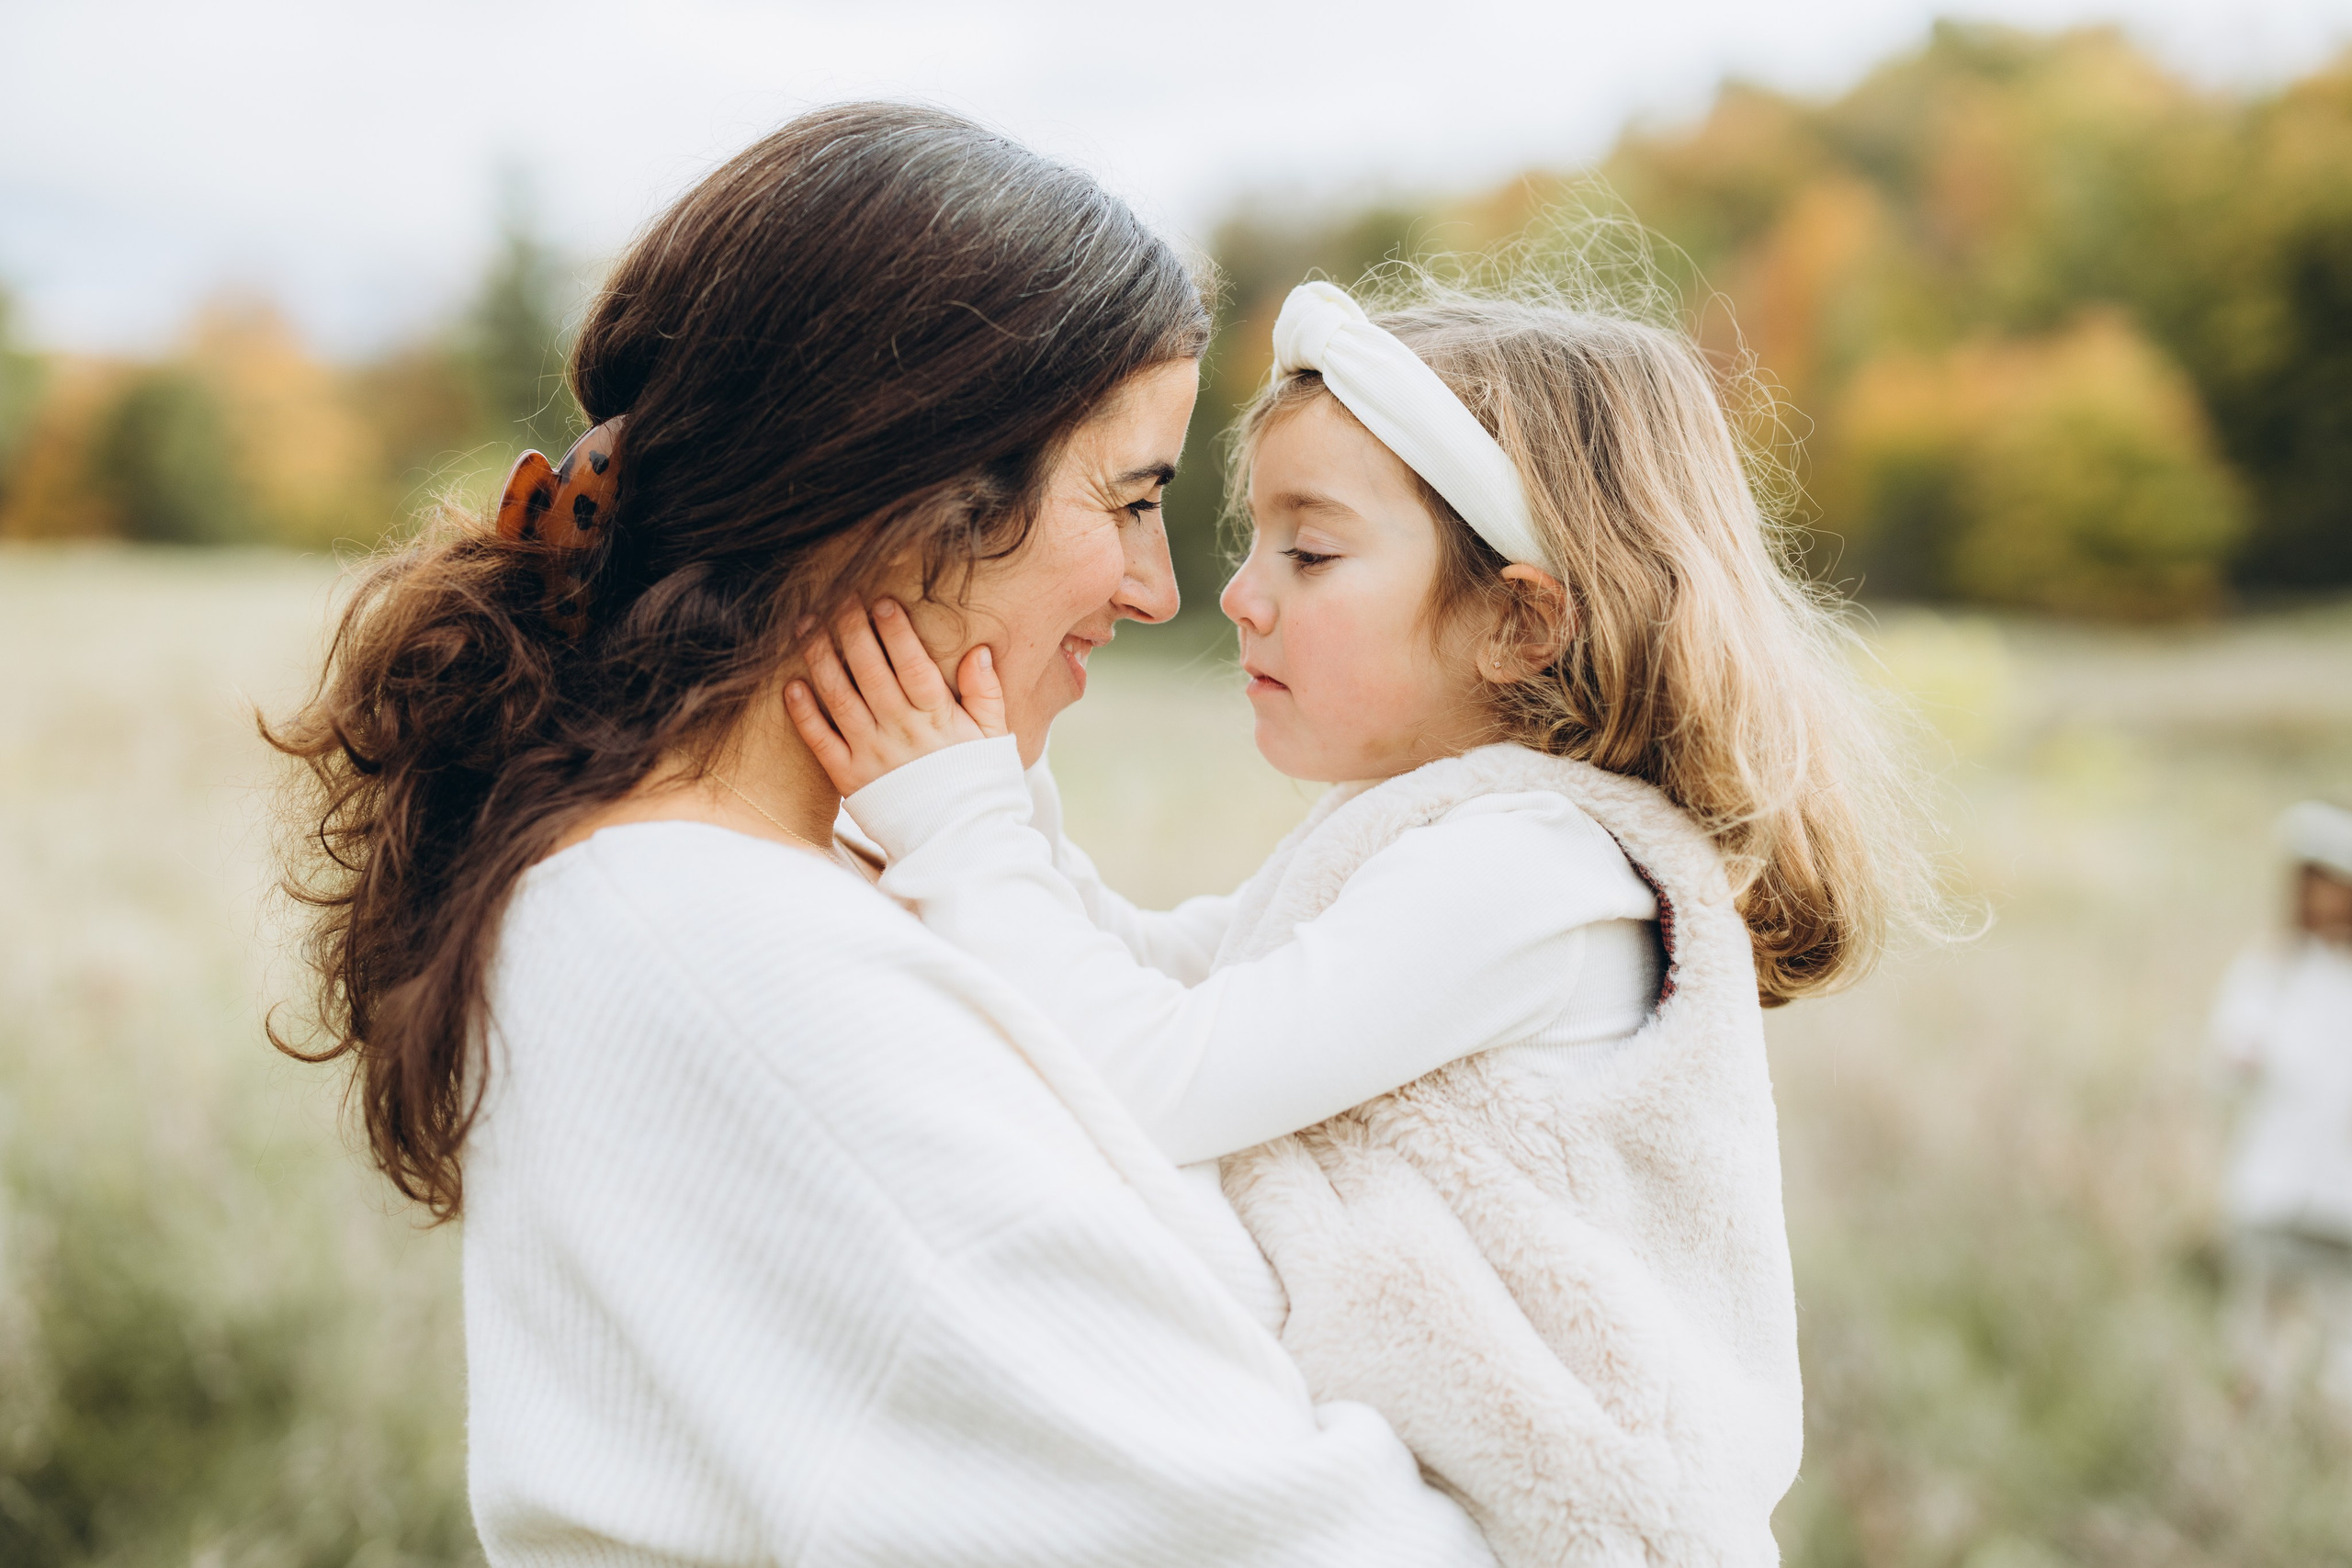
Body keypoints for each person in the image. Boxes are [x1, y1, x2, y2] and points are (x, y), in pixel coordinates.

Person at [267, 105, 1503, 1566]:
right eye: (1128, 498)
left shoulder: (772, 887)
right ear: (906, 503)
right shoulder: (728, 961)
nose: (1160, 588)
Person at [787, 276, 1933, 1564]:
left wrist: (963, 828)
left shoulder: (1533, 867)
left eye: (1311, 550)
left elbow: (1157, 1076)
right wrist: (996, 791)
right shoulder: (1449, 835)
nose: (1241, 593)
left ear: (1518, 616)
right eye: (1259, 539)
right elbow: (1163, 976)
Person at [2211, 799, 2352, 1412]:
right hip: (2274, 1181)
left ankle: (2330, 1429)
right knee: (2261, 1323)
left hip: (2341, 1191)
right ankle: (2258, 1421)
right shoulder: (2270, 970)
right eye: (2311, 884)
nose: (2323, 900)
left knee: (2339, 1331)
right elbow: (2225, 1059)